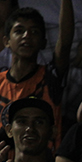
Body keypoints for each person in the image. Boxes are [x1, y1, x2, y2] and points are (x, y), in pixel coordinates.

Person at [0, 2, 73, 143]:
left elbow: (64, 45)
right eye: (19, 31)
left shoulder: (50, 77)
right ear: (7, 41)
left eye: (34, 31)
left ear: (43, 43)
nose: (26, 35)